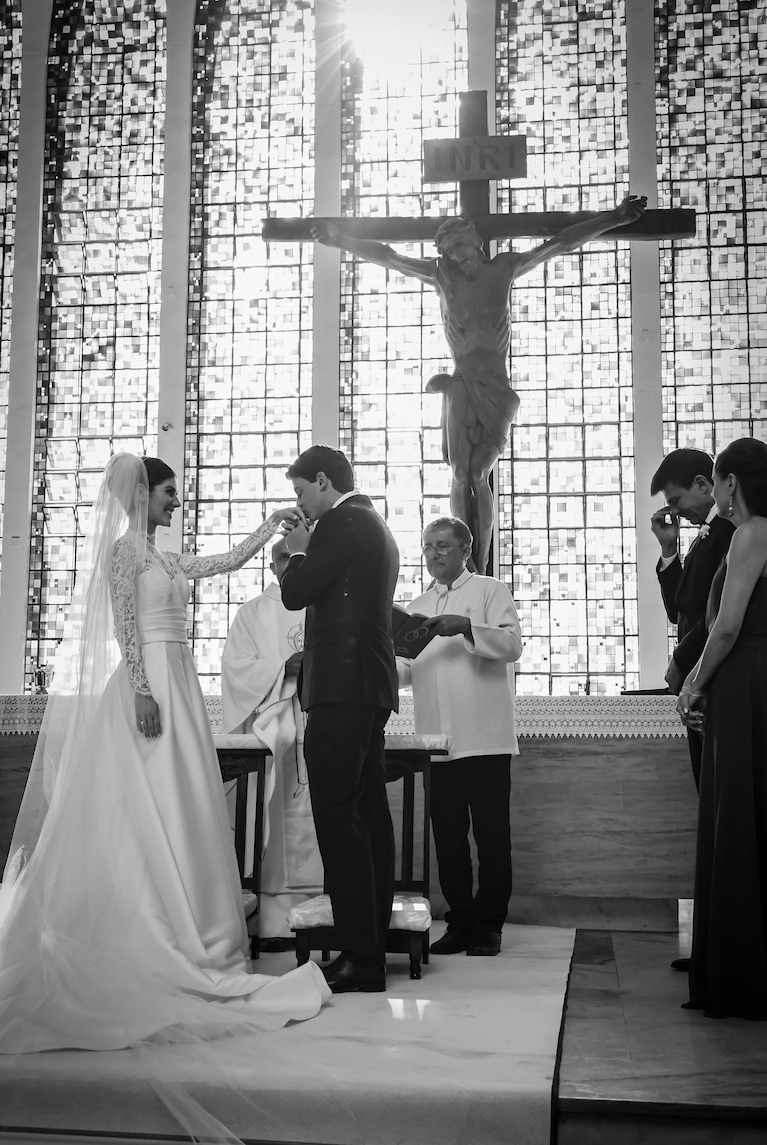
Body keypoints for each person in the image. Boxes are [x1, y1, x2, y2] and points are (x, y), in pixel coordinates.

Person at [0, 453, 328, 1055]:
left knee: (182, 797)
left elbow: (224, 562)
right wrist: (138, 690)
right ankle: (151, 928)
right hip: (149, 684)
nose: (175, 503)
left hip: (179, 680)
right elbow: (125, 627)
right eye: (167, 493)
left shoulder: (164, 555)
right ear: (141, 494)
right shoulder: (126, 553)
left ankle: (197, 928)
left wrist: (271, 527)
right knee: (148, 799)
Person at [311, 195, 646, 575]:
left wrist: (616, 217)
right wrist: (340, 239)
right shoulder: (442, 276)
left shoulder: (505, 268)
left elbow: (559, 243)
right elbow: (389, 256)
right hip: (460, 385)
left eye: (461, 245)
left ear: (477, 244)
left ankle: (480, 563)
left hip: (497, 389)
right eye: (449, 250)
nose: (456, 255)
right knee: (458, 473)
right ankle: (466, 563)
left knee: (478, 474)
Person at [280, 446, 399, 994]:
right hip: (366, 688)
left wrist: (298, 554)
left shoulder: (342, 523)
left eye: (302, 491)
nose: (300, 504)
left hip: (343, 688)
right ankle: (368, 951)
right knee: (368, 814)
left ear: (324, 481)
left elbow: (296, 594)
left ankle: (359, 956)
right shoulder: (371, 522)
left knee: (337, 816)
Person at [396, 516, 522, 957]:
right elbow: (407, 669)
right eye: (428, 547)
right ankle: (460, 920)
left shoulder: (489, 590)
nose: (433, 554)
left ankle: (489, 925)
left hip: (485, 737)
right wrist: (375, 665)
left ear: (465, 550)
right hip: (435, 741)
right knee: (447, 837)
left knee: (490, 836)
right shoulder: (417, 604)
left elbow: (511, 646)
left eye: (443, 546)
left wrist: (468, 627)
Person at [677, 438, 767, 1020]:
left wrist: (692, 684)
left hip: (746, 681)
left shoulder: (753, 533)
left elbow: (728, 626)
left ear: (729, 482)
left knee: (737, 816)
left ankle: (739, 978)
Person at [220, 539, 323, 948]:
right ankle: (271, 917)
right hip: (274, 724)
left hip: (318, 721)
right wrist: (284, 668)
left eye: (299, 557)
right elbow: (236, 669)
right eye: (283, 557)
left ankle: (321, 913)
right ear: (271, 564)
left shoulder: (325, 605)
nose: (290, 564)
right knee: (272, 814)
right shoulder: (253, 612)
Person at [650, 448, 735, 790]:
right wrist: (668, 549)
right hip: (696, 673)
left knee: (718, 784)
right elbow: (679, 612)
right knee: (706, 781)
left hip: (712, 670)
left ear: (702, 484)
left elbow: (719, 613)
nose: (672, 511)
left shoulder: (727, 532)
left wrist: (681, 659)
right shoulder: (704, 536)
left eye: (675, 499)